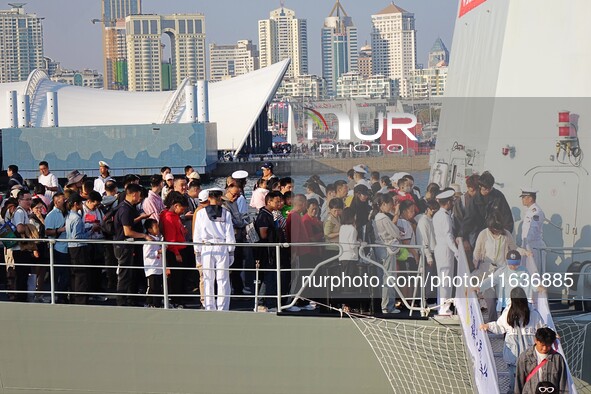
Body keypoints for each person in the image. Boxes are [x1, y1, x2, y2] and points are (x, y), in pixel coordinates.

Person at [480, 287, 546, 393]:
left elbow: (499, 326)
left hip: (519, 354)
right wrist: (488, 325)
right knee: (523, 383)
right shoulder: (526, 312)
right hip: (522, 353)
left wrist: (487, 326)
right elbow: (499, 326)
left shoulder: (527, 312)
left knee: (518, 383)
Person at [193, 188, 235, 311]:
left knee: (208, 279)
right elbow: (229, 234)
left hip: (206, 247)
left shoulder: (201, 213)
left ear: (209, 197)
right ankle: (223, 308)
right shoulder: (226, 213)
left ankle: (209, 307)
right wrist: (231, 251)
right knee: (223, 279)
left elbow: (197, 235)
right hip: (221, 246)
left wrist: (198, 251)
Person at [113, 184, 152, 306]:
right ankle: (121, 300)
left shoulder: (126, 207)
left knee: (127, 273)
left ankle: (127, 298)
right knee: (124, 274)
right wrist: (144, 236)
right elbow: (127, 231)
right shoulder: (126, 209)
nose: (140, 197)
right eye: (139, 195)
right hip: (123, 245)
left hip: (124, 245)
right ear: (134, 194)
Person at [479, 250, 537, 315]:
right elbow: (491, 280)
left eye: (516, 264)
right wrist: (479, 287)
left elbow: (529, 283)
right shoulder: (502, 271)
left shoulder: (524, 271)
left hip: (519, 303)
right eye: (511, 264)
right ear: (507, 262)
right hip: (505, 305)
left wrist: (537, 288)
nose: (513, 266)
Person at [371, 193, 401, 314]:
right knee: (389, 277)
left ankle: (383, 305)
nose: (391, 206)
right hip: (387, 249)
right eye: (390, 204)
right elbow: (396, 233)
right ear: (383, 204)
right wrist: (397, 213)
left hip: (378, 249)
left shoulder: (374, 216)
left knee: (382, 276)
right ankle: (388, 306)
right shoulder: (383, 218)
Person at [160, 191, 191, 308]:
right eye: (182, 208)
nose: (182, 211)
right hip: (176, 250)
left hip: (179, 247)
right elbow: (170, 238)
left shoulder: (172, 216)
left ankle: (178, 299)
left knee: (179, 276)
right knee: (176, 277)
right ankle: (176, 300)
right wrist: (177, 253)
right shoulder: (169, 217)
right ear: (176, 205)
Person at [515, 327, 568, 393]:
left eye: (548, 345)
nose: (544, 348)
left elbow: (563, 384)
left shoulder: (558, 359)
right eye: (542, 345)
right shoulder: (525, 357)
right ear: (536, 340)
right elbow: (519, 382)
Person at [65, 192, 96, 305]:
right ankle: (81, 300)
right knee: (81, 275)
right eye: (80, 202)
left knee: (74, 275)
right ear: (75, 204)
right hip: (78, 248)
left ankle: (74, 298)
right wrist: (91, 231)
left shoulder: (69, 216)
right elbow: (77, 237)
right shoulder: (77, 218)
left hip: (71, 248)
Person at [433, 190, 460, 315]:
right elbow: (448, 235)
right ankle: (444, 308)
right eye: (452, 201)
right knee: (446, 279)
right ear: (448, 202)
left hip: (440, 248)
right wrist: (456, 250)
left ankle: (442, 305)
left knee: (442, 279)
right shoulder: (444, 216)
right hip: (446, 250)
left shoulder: (437, 215)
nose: (453, 203)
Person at [44, 192, 69, 303]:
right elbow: (46, 231)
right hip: (58, 247)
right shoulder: (52, 215)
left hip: (67, 246)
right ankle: (58, 296)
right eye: (63, 200)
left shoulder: (66, 213)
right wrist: (59, 230)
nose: (65, 202)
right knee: (59, 274)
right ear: (56, 201)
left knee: (66, 274)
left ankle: (63, 295)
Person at [520, 188, 546, 274]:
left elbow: (533, 229)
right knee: (525, 271)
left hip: (532, 246)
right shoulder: (530, 211)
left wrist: (527, 244)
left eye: (524, 197)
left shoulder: (536, 212)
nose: (522, 199)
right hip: (527, 245)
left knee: (533, 272)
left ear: (530, 199)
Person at [143, 219, 164, 307]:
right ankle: (149, 302)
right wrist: (158, 252)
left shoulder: (158, 239)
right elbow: (147, 254)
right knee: (152, 286)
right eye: (156, 227)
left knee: (158, 286)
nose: (158, 229)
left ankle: (157, 303)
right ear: (149, 229)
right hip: (152, 268)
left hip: (158, 267)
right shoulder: (149, 241)